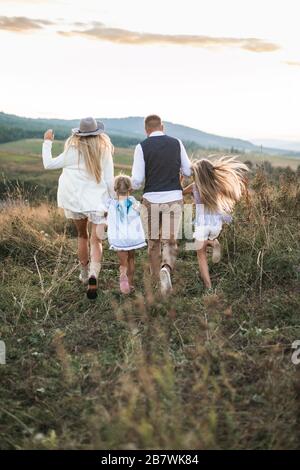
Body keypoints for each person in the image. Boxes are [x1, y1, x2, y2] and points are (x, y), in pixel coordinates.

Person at [42, 117, 114, 300]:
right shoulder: (104, 150)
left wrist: (47, 141)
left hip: (75, 201)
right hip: (97, 202)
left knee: (83, 236)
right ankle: (93, 275)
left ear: (79, 134)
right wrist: (113, 202)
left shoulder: (72, 149)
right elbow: (109, 180)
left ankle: (83, 274)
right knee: (96, 241)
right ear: (98, 133)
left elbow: (48, 164)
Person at [131, 115, 191, 296]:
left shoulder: (141, 147)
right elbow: (188, 171)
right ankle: (167, 269)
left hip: (150, 200)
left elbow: (137, 181)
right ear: (162, 127)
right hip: (173, 197)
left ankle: (157, 282)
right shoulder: (177, 143)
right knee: (170, 240)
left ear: (146, 129)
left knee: (154, 243)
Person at [183, 156, 248, 290]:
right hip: (216, 224)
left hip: (202, 224)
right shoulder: (217, 186)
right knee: (206, 243)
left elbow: (179, 193)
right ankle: (214, 242)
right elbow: (234, 196)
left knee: (201, 255)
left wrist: (180, 178)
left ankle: (209, 287)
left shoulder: (194, 187)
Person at [107, 175, 146, 294]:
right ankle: (130, 283)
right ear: (131, 190)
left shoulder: (112, 203)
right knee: (131, 259)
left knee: (123, 263)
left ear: (115, 190)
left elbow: (103, 214)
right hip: (132, 239)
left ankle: (123, 275)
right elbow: (142, 211)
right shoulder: (133, 202)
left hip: (119, 239)